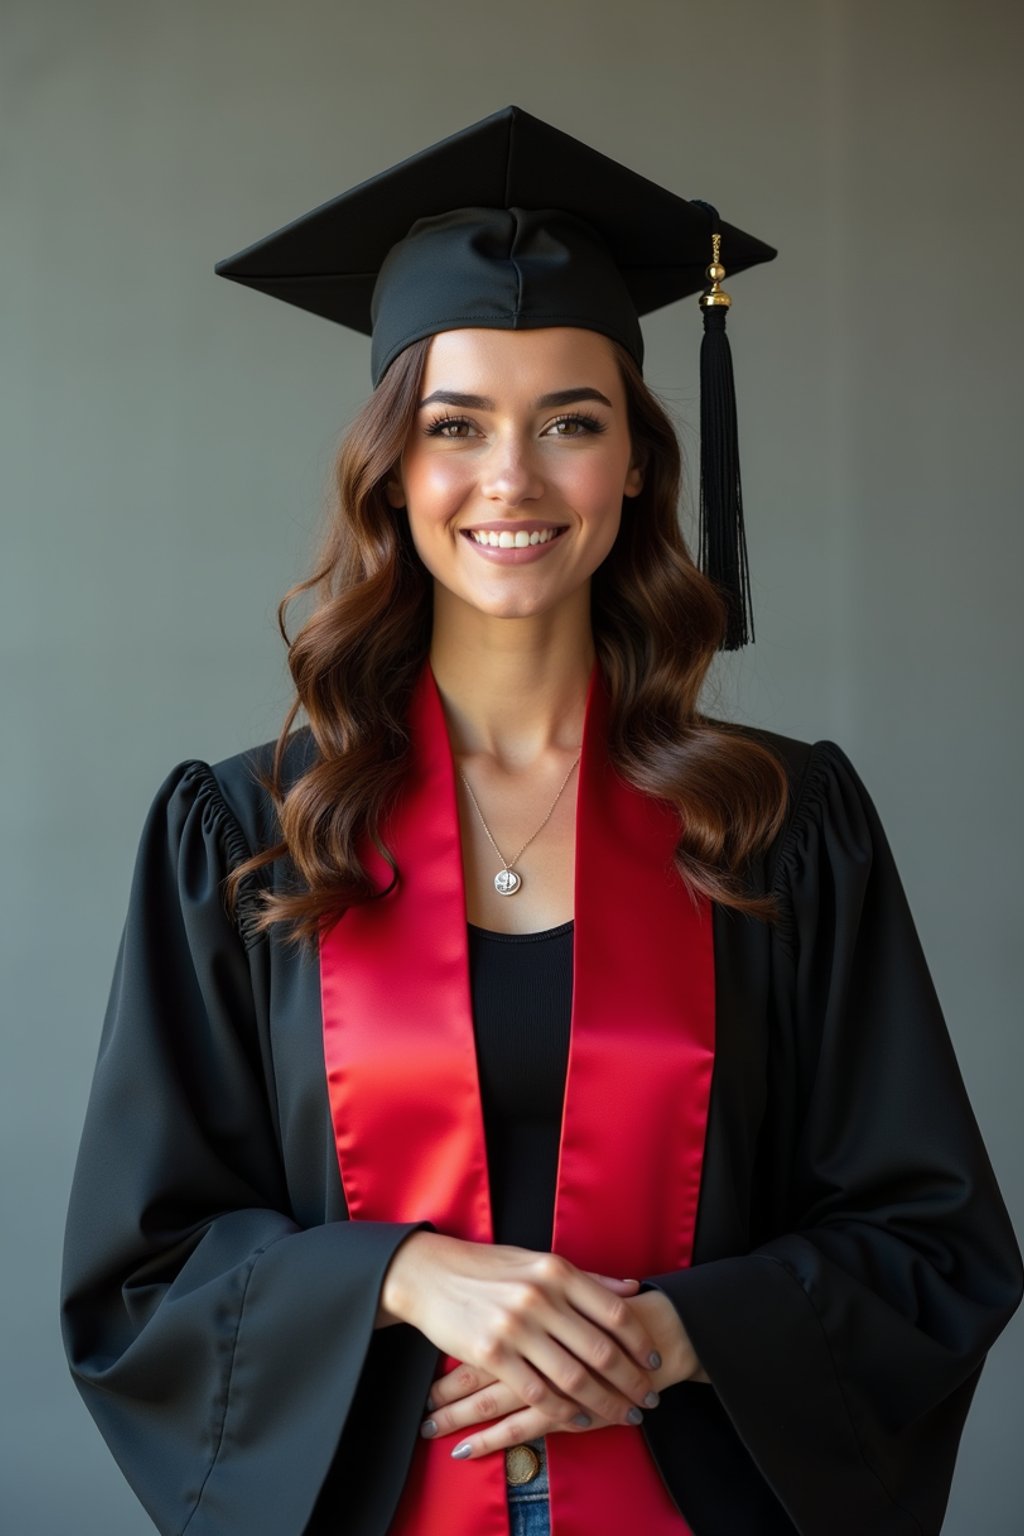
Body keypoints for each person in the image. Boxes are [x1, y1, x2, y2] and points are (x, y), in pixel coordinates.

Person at [60, 105, 1022, 1536]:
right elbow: (143, 1274)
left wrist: (681, 1336)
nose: (511, 480)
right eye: (456, 426)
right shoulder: (252, 833)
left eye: (572, 422)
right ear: (392, 467)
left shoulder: (773, 822)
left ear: (636, 462)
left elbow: (929, 1240)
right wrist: (398, 1274)